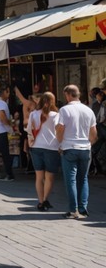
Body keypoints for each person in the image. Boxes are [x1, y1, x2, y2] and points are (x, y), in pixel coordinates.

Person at [56, 84, 97, 219]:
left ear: (67, 95)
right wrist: (88, 144)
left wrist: (60, 143)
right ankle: (83, 209)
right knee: (83, 179)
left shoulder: (64, 110)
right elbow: (94, 134)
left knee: (71, 180)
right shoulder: (88, 110)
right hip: (85, 149)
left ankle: (73, 210)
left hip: (69, 148)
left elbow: (60, 129)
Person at [27, 93, 59, 212]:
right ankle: (45, 199)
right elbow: (59, 131)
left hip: (36, 147)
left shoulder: (33, 114)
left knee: (39, 176)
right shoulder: (56, 115)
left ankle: (40, 202)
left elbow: (29, 130)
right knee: (49, 177)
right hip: (52, 147)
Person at [0, 85, 15, 181]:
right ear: (5, 92)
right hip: (1, 131)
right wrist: (9, 123)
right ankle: (9, 174)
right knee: (5, 154)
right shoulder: (1, 103)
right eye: (8, 92)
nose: (9, 95)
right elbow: (1, 115)